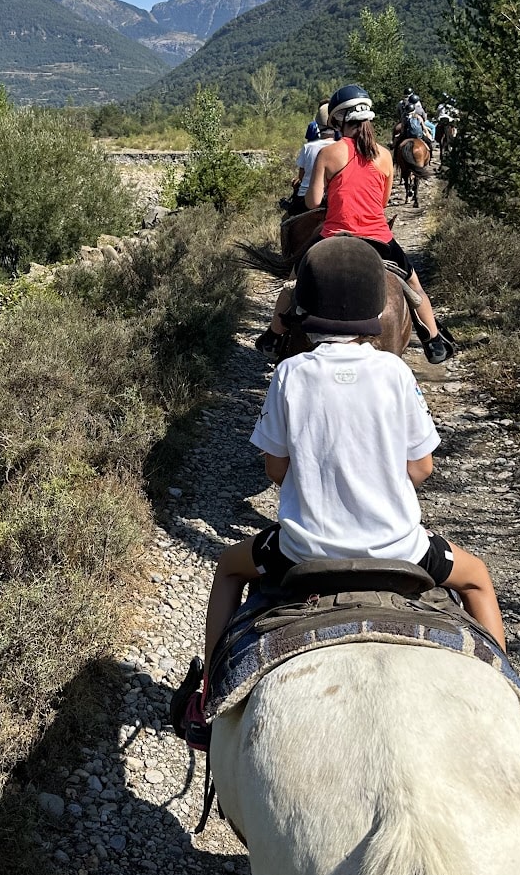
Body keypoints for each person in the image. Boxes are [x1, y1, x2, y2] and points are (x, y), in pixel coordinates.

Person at [207, 237, 504, 676]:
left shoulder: (289, 372)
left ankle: (207, 690)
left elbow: (275, 469)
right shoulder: (395, 371)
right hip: (402, 550)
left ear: (304, 310)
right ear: (373, 310)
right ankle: (510, 690)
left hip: (300, 551)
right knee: (477, 577)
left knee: (228, 570)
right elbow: (422, 467)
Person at [257, 84, 453, 364]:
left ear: (337, 120)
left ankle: (274, 338)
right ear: (368, 118)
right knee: (414, 285)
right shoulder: (385, 155)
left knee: (293, 282)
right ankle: (433, 341)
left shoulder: (330, 153)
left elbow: (312, 203)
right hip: (379, 238)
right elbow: (382, 203)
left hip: (333, 236)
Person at [286, 118, 332, 214]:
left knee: (288, 219)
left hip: (306, 195)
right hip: (332, 196)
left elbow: (301, 176)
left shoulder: (308, 147)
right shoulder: (343, 147)